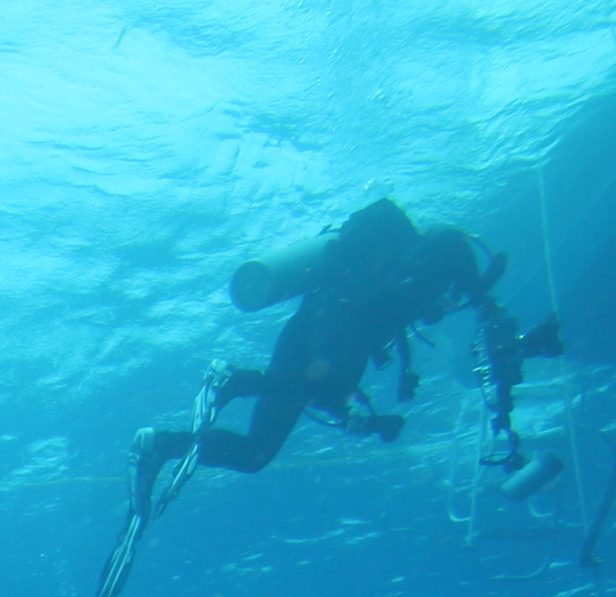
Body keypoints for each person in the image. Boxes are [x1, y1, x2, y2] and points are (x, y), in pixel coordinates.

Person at [129, 198, 561, 509]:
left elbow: (330, 391)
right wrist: (516, 341)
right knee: (325, 385)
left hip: (308, 327)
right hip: (336, 322)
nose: (446, 309)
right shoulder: (448, 253)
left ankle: (162, 444)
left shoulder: (409, 279)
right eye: (449, 299)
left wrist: (371, 423)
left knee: (255, 454)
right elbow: (485, 321)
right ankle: (238, 381)